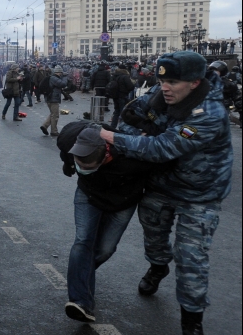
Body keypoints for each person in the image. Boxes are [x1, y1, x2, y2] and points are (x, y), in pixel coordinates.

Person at [99, 51, 233, 335]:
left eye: (173, 81)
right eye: (163, 81)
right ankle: (158, 267)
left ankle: (191, 320)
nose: (165, 87)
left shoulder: (209, 113)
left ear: (195, 83)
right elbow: (129, 114)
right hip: (160, 186)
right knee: (154, 237)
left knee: (191, 258)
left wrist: (111, 137)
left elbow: (162, 148)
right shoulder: (161, 96)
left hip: (200, 195)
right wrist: (139, 134)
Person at [58, 123, 163, 323]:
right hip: (88, 195)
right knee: (83, 242)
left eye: (88, 167)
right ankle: (81, 301)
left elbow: (164, 159)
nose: (82, 168)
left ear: (106, 156)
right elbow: (65, 150)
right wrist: (69, 164)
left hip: (122, 202)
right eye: (79, 162)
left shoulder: (134, 158)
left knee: (104, 250)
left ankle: (79, 276)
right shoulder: (69, 138)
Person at [40, 65, 67, 136]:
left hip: (49, 98)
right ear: (59, 72)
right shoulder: (54, 78)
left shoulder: (52, 77)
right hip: (53, 98)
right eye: (61, 72)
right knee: (55, 115)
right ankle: (54, 131)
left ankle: (45, 126)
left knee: (53, 113)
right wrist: (65, 77)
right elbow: (63, 84)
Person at [109, 64, 134, 128]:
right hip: (123, 96)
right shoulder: (125, 77)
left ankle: (112, 126)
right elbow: (131, 87)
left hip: (115, 96)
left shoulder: (114, 76)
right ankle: (122, 127)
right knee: (123, 112)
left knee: (116, 112)